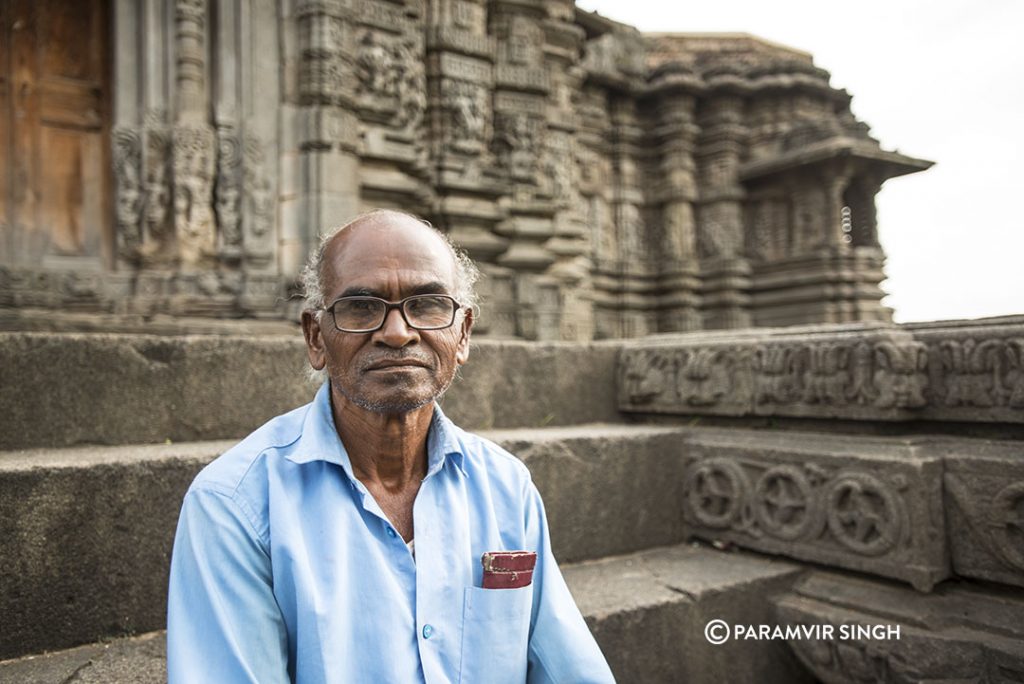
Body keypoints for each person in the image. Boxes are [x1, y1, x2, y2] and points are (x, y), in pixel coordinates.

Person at [166, 210, 615, 683]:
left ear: (462, 334)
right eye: (362, 308)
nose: (398, 332)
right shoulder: (234, 504)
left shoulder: (505, 486)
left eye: (427, 304)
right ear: (316, 337)